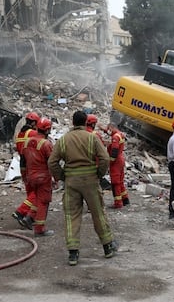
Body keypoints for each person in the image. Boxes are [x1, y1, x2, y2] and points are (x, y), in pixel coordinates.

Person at [48, 110, 116, 266]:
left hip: (72, 182)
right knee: (98, 213)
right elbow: (105, 158)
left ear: (73, 122)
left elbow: (52, 162)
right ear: (86, 122)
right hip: (91, 181)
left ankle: (73, 253)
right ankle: (107, 247)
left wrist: (63, 176)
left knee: (72, 215)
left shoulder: (64, 140)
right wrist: (99, 174)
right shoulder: (92, 138)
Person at [23, 117, 56, 237]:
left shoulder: (27, 141)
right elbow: (52, 163)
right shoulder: (46, 144)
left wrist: (24, 176)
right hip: (43, 177)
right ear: (47, 130)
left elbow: (22, 161)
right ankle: (39, 229)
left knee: (37, 198)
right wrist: (56, 178)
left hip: (31, 176)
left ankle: (30, 217)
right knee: (44, 201)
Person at [12, 111, 40, 229]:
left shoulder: (20, 135)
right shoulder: (32, 133)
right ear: (33, 122)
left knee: (30, 192)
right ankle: (20, 212)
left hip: (23, 166)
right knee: (36, 193)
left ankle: (30, 216)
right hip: (32, 166)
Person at [103, 122, 129, 208]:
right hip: (120, 160)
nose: (108, 130)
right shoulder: (119, 134)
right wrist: (103, 129)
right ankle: (125, 199)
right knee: (120, 181)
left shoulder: (115, 137)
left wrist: (110, 162)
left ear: (111, 127)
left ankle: (118, 203)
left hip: (116, 162)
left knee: (115, 182)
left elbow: (114, 150)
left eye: (108, 128)